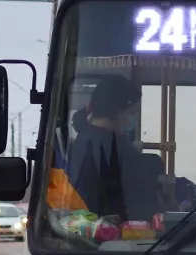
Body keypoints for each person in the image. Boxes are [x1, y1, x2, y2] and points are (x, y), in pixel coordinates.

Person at [64, 75, 167, 221]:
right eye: (132, 113)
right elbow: (142, 207)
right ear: (117, 111)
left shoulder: (83, 140)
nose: (134, 119)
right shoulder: (116, 150)